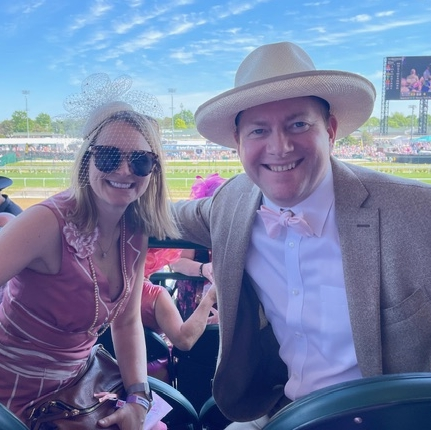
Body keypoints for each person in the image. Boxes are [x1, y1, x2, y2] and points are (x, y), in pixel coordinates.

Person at [172, 41, 431, 428]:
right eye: (259, 130)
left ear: (330, 130)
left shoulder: (415, 211)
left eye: (298, 124)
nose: (280, 147)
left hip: (390, 419)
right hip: (281, 410)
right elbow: (160, 216)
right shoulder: (232, 202)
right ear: (238, 144)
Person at [0, 84, 179, 429]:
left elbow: (126, 322)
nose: (125, 171)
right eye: (109, 156)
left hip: (80, 387)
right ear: (87, 161)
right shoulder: (46, 222)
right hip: (16, 398)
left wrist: (139, 399)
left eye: (140, 160)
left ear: (153, 171)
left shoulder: (135, 231)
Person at [141, 247, 218, 384]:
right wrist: (211, 297)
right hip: (150, 379)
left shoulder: (97, 287)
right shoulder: (155, 296)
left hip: (115, 373)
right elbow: (185, 341)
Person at [170, 173, 226, 320]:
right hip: (193, 298)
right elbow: (177, 263)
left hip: (225, 301)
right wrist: (203, 269)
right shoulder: (193, 227)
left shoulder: (233, 229)